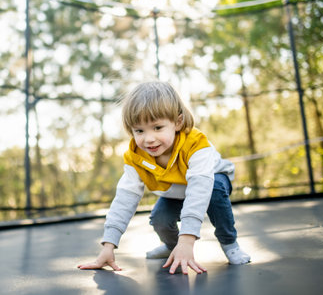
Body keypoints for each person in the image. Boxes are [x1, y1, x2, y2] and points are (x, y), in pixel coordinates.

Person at [77, 81, 250, 275]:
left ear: (178, 122)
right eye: (139, 131)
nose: (148, 138)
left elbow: (199, 189)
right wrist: (108, 245)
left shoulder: (196, 144)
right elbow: (125, 197)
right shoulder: (135, 157)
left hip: (210, 181)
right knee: (160, 218)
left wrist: (187, 239)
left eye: (157, 127)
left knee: (215, 191)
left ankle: (229, 243)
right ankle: (171, 246)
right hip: (175, 189)